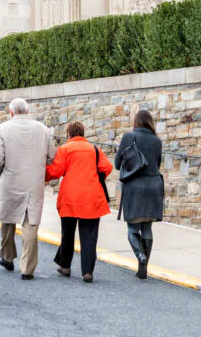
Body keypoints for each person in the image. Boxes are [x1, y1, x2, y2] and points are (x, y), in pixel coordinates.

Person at [0, 98, 55, 280]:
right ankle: (27, 268)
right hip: (33, 182)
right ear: (28, 111)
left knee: (8, 218)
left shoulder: (3, 129)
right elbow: (52, 156)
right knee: (31, 223)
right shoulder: (43, 129)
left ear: (11, 112)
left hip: (11, 179)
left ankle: (7, 256)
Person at [45, 121, 112, 283]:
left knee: (67, 231)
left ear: (69, 134)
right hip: (91, 195)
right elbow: (107, 167)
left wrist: (42, 174)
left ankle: (65, 266)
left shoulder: (65, 149)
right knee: (89, 234)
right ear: (83, 133)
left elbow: (56, 170)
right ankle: (87, 271)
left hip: (70, 196)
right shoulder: (95, 149)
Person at [114, 110, 164, 280]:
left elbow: (117, 163)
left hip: (135, 186)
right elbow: (157, 163)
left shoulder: (129, 137)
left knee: (133, 227)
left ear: (136, 121)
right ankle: (143, 267)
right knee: (147, 228)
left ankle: (140, 255)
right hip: (154, 185)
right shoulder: (157, 141)